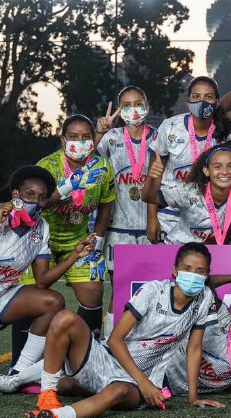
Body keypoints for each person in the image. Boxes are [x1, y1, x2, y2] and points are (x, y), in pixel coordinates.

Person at [22, 243, 222, 418]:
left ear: (206, 275)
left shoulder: (204, 298)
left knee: (117, 393)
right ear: (175, 271)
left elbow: (194, 348)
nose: (193, 275)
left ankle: (56, 417)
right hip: (109, 359)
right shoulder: (153, 291)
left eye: (200, 271)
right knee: (65, 318)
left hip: (141, 379)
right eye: (187, 268)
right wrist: (144, 383)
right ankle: (47, 395)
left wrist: (192, 397)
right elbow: (114, 340)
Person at [0, 167, 91, 393]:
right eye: (29, 195)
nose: (36, 202)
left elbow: (42, 281)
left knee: (52, 301)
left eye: (42, 197)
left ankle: (17, 375)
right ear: (15, 195)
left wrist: (74, 254)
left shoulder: (41, 228)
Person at [32, 114, 116, 339]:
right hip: (41, 241)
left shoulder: (103, 168)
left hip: (78, 240)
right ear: (62, 140)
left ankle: (87, 351)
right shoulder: (46, 166)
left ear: (92, 139)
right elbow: (37, 205)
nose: (79, 142)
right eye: (73, 136)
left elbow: (106, 206)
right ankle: (19, 364)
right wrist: (64, 189)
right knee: (31, 295)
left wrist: (97, 241)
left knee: (93, 290)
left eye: (85, 137)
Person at [94, 85, 157, 339]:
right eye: (127, 105)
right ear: (120, 111)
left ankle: (144, 346)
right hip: (118, 230)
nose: (134, 109)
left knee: (152, 292)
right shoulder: (111, 138)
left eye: (138, 103)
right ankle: (111, 345)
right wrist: (99, 132)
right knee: (120, 291)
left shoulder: (160, 136)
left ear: (147, 107)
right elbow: (88, 161)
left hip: (152, 228)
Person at [148, 76, 231, 243]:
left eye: (208, 96)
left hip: (209, 219)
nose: (201, 101)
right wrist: (151, 218)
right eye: (196, 96)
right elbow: (154, 176)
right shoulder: (170, 126)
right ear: (188, 101)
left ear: (217, 101)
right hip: (170, 216)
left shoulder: (226, 130)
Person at [141, 146, 231, 245]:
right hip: (178, 247)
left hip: (212, 253)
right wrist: (151, 178)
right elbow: (148, 197)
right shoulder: (189, 192)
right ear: (206, 171)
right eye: (217, 167)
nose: (225, 172)